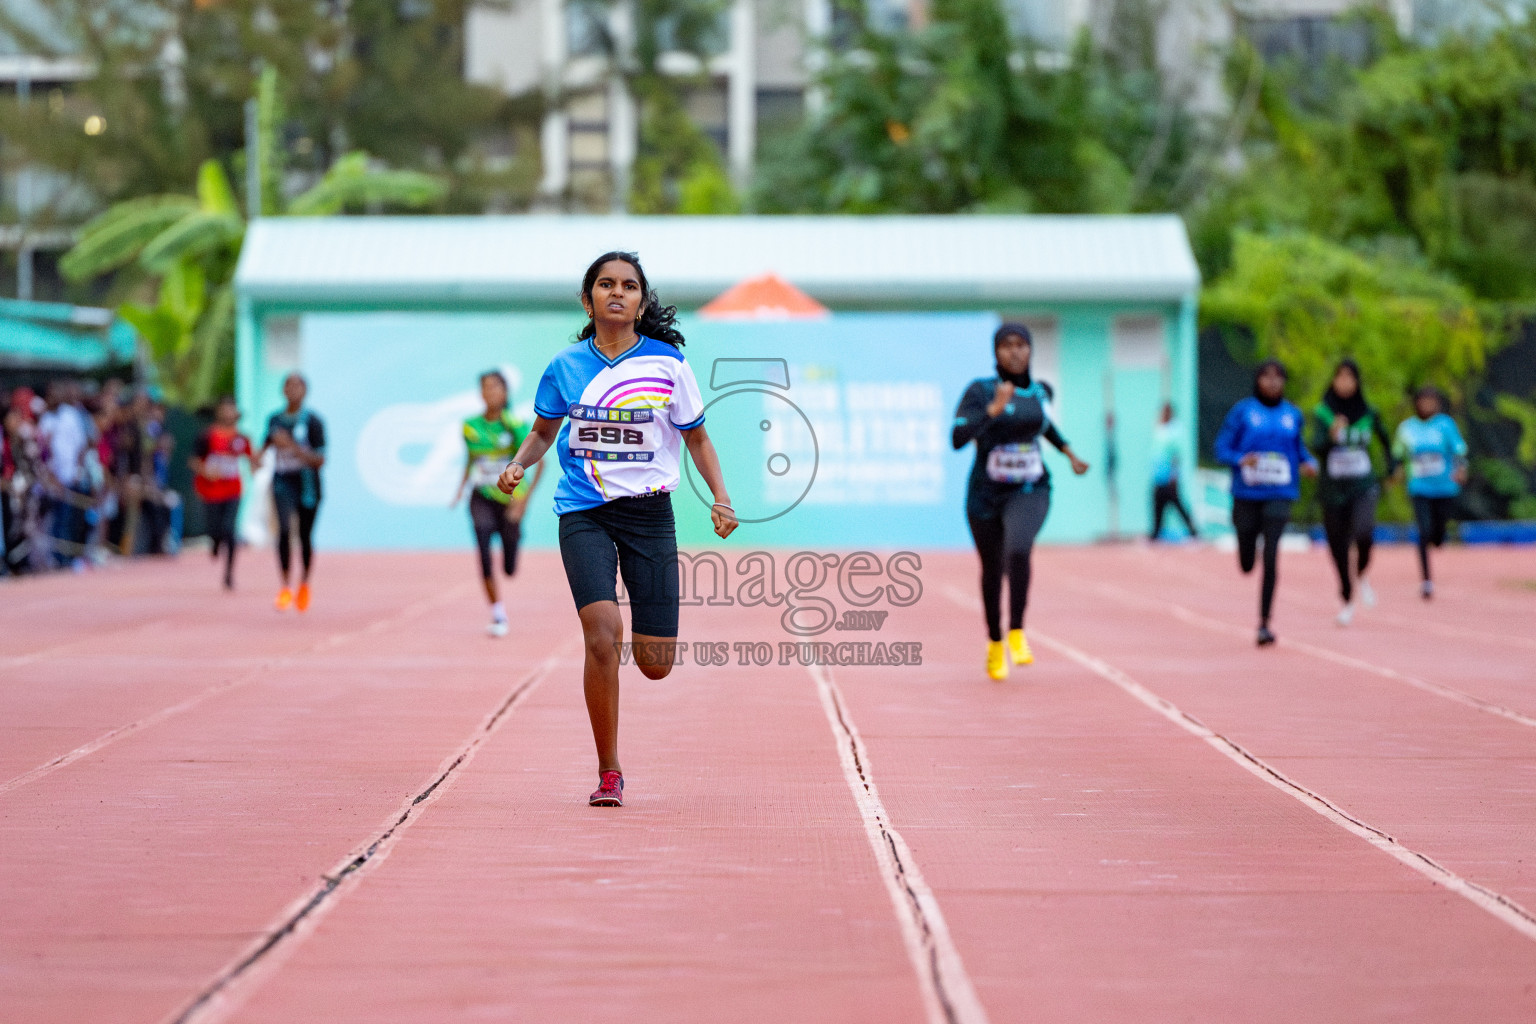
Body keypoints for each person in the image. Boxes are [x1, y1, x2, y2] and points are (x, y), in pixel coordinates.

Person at [496, 251, 737, 808]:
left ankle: (643, 663)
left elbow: (697, 439)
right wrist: (519, 462)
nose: (617, 293)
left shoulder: (668, 364)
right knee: (602, 634)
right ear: (588, 300)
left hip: (650, 515)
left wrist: (721, 499)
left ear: (641, 302)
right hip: (584, 511)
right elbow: (542, 432)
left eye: (629, 286)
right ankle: (609, 770)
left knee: (655, 665)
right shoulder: (565, 367)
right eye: (605, 284)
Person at [952, 323, 1090, 681]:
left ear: (1030, 350)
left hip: (1030, 488)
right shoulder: (981, 391)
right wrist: (993, 411)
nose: (1015, 352)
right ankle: (995, 640)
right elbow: (957, 437)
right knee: (992, 570)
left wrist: (1069, 452)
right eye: (1007, 346)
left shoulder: (1042, 391)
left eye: (1022, 345)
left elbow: (1043, 425)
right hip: (985, 496)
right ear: (995, 352)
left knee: (1019, 546)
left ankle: (1016, 631)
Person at [1214, 360, 1318, 646]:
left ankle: (1264, 623)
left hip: (1280, 493)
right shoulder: (1243, 411)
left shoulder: (1292, 415)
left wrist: (1309, 462)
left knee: (1271, 557)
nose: (1272, 383)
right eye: (1266, 377)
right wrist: (1239, 459)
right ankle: (1247, 552)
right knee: (1248, 562)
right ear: (1257, 380)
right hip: (1246, 494)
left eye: (1278, 378)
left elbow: (1299, 449)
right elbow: (1221, 448)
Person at [452, 370, 544, 636]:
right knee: (482, 546)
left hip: (510, 498)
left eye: (495, 387)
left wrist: (524, 501)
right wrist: (460, 489)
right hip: (481, 495)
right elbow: (471, 459)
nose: (489, 392)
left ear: (505, 393)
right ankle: (497, 613)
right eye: (484, 387)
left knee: (509, 566)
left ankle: (512, 551)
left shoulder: (515, 424)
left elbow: (539, 462)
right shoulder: (470, 425)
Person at [1309, 359, 1396, 625]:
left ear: (1357, 382)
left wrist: (1392, 469)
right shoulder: (1323, 413)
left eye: (1350, 377)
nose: (1345, 383)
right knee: (1337, 544)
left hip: (1363, 485)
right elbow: (1316, 446)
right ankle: (1346, 597)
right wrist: (1331, 434)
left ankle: (1362, 572)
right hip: (1333, 489)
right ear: (1333, 381)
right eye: (1340, 377)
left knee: (1363, 530)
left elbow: (1385, 442)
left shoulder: (1369, 413)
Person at [1393, 385, 1467, 600]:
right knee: (1423, 531)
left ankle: (1438, 538)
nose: (1427, 405)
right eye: (1423, 400)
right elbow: (1398, 454)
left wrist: (1461, 468)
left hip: (1444, 488)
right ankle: (1426, 580)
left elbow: (1459, 449)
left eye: (1431, 401)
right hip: (1419, 488)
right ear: (1416, 403)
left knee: (1437, 536)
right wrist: (1395, 472)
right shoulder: (1407, 428)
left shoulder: (1445, 425)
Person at [260, 374, 326, 612]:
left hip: (308, 485)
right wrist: (256, 458)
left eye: (298, 386)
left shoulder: (313, 422)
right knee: (285, 531)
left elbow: (320, 459)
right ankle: (285, 585)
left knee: (306, 536)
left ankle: (305, 582)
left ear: (305, 391)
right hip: (282, 482)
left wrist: (293, 448)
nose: (293, 390)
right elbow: (263, 447)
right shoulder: (275, 420)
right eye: (288, 385)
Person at [191, 396, 259, 590]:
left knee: (229, 529)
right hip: (211, 491)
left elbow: (252, 459)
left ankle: (229, 573)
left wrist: (256, 466)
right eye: (225, 409)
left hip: (232, 490)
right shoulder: (207, 436)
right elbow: (194, 460)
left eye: (232, 409)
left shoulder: (241, 438)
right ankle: (214, 541)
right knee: (215, 528)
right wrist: (206, 471)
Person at [1149, 402, 1199, 542]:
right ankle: (1156, 533)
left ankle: (1193, 531)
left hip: (1169, 476)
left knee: (1177, 504)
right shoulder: (1158, 427)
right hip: (1157, 475)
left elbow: (1176, 455)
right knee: (1157, 505)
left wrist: (1174, 474)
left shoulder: (1175, 430)